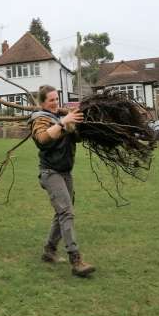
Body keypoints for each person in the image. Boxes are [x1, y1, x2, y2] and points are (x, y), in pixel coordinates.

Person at [29, 85, 95, 277]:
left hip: (65, 172)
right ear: (42, 103)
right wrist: (63, 123)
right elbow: (42, 138)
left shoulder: (60, 116)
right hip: (50, 173)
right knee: (66, 212)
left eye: (56, 99)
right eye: (51, 100)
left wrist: (75, 124)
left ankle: (49, 251)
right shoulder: (39, 119)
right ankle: (76, 260)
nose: (55, 103)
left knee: (62, 213)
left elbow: (77, 139)